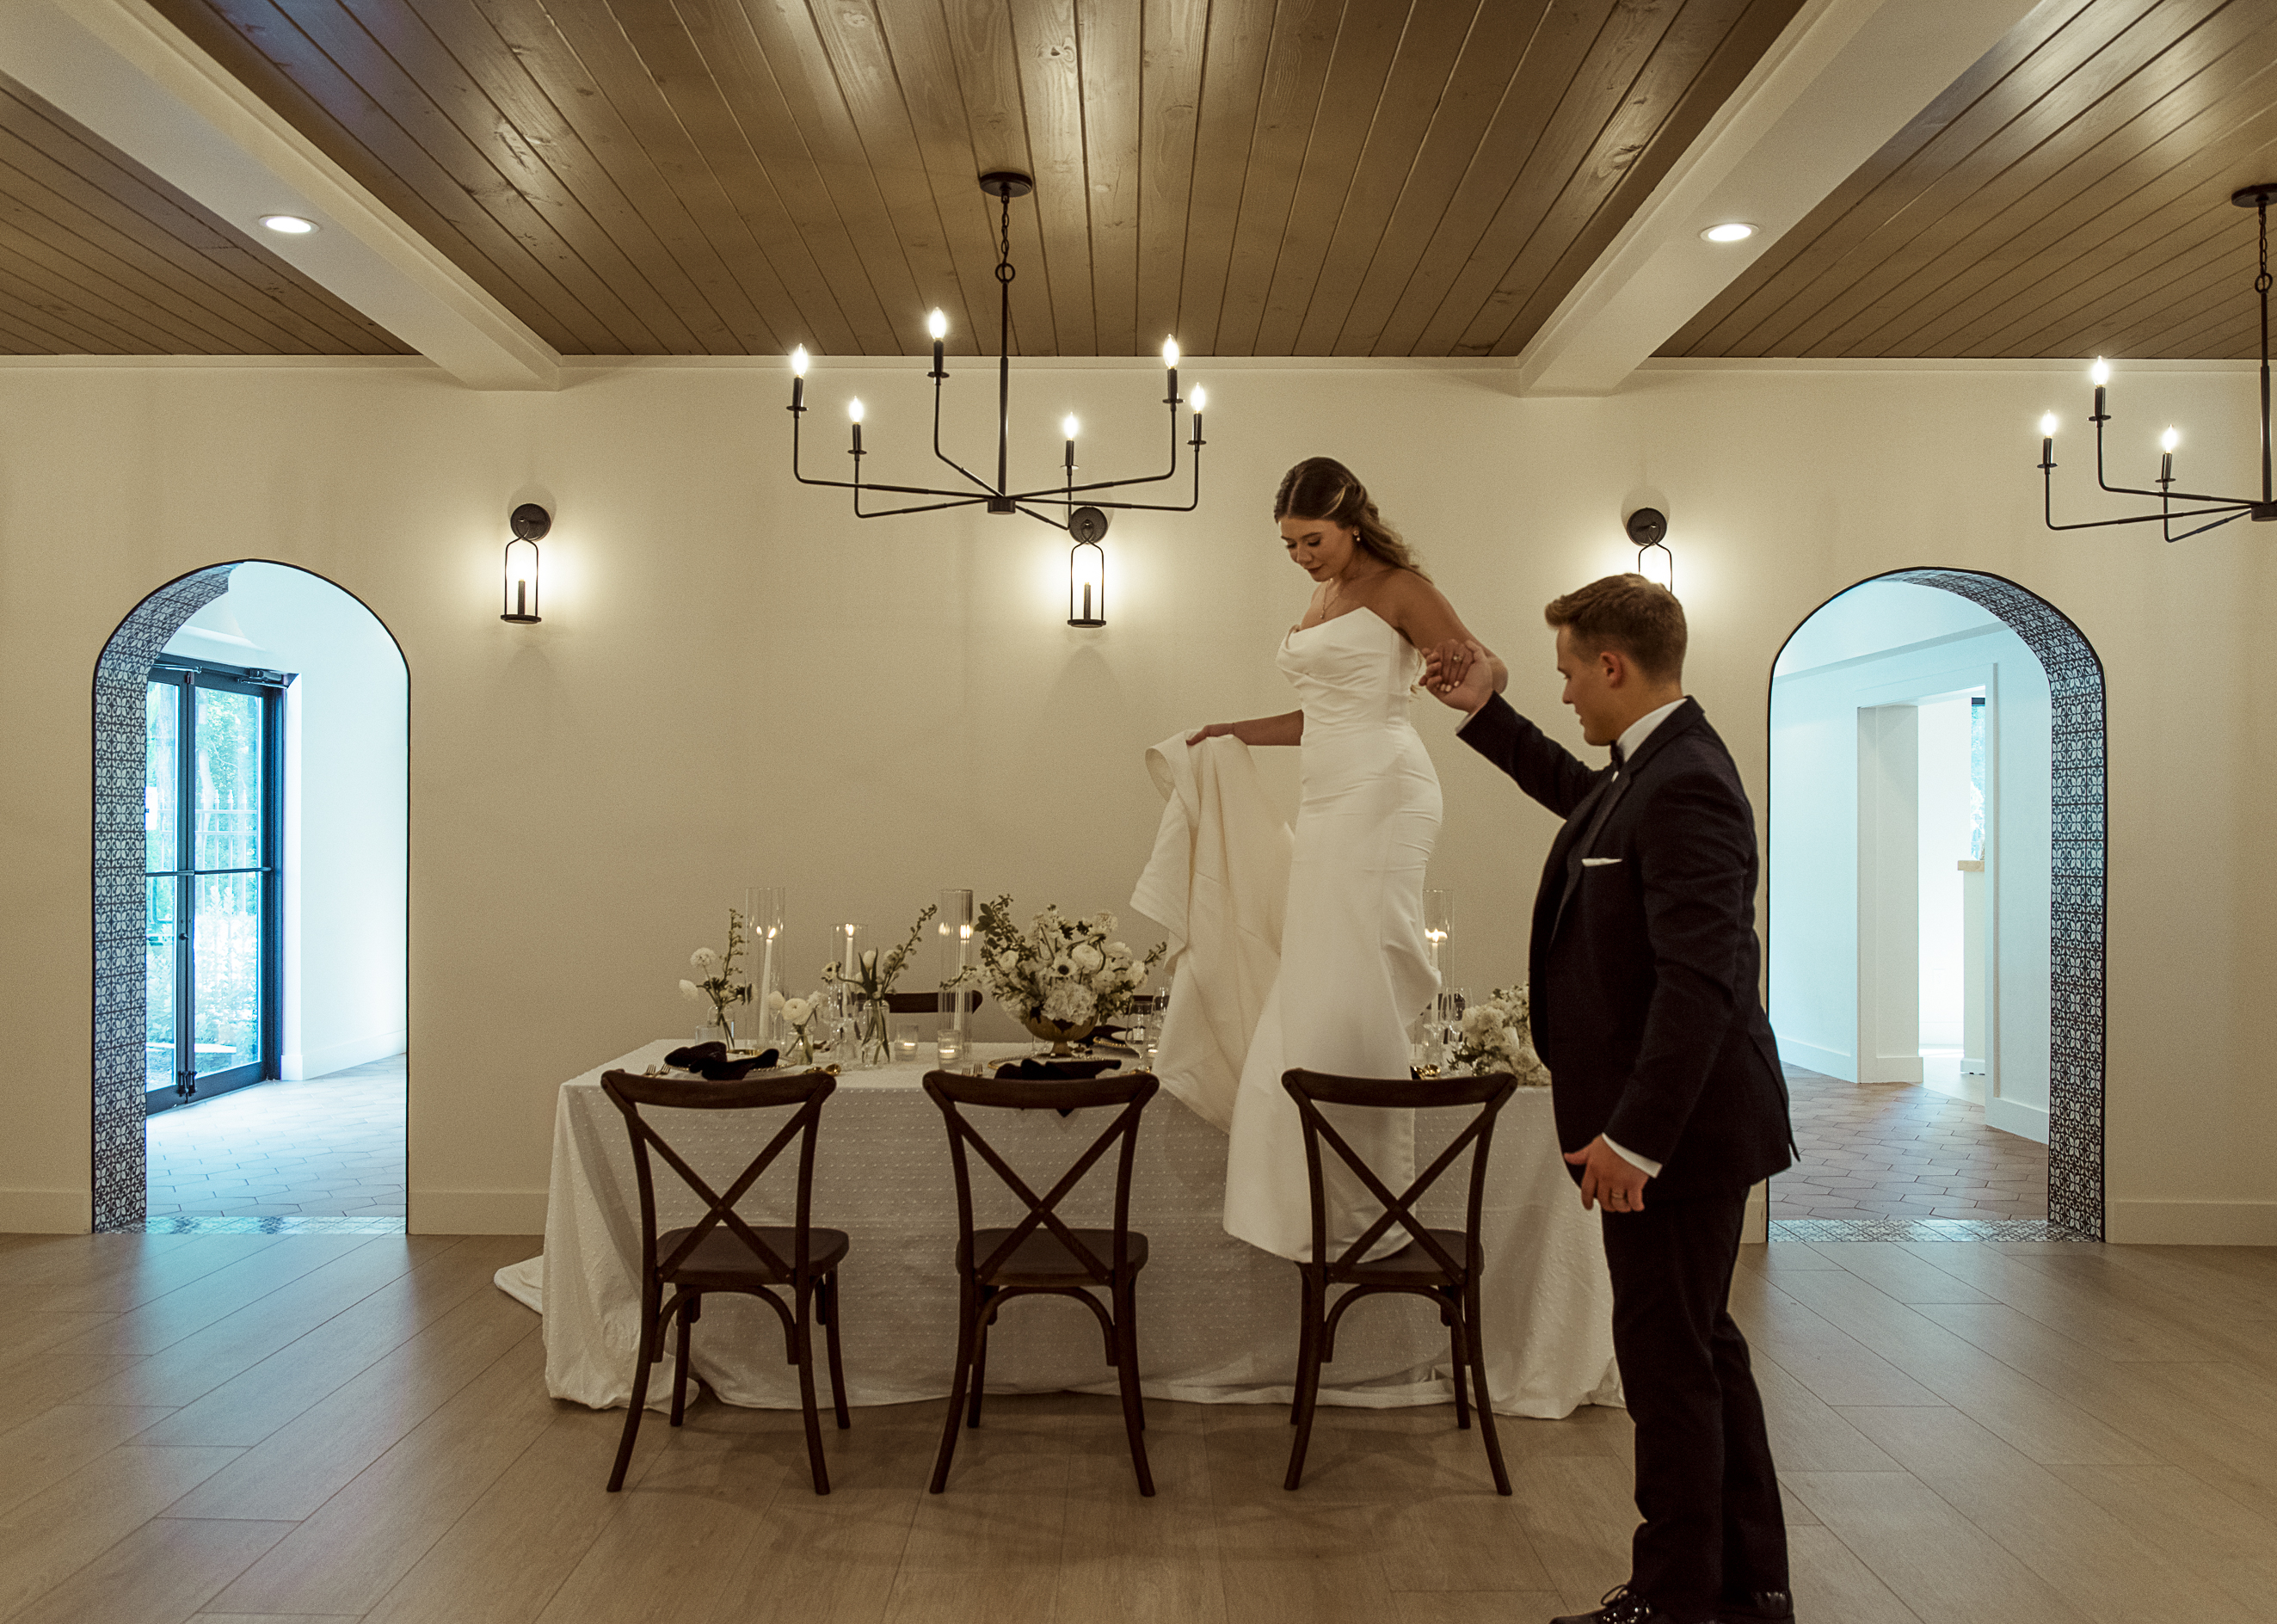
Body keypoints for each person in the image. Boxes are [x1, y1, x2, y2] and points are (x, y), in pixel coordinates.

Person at [1424, 575, 1795, 1624]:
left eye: (1569, 675)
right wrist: (1489, 711)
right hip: (1677, 1131)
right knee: (1701, 1355)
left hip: (1676, 1137)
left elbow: (1701, 981)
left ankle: (1675, 1600)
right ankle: (1746, 1588)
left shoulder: (1687, 783)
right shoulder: (1651, 767)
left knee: (1669, 1371)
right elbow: (1576, 794)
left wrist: (1634, 1139)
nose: (1569, 698)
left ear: (1613, 665)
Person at [1189, 457, 1492, 1262]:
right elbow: (1318, 717)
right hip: (1326, 798)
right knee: (1316, 967)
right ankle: (1310, 1186)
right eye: (1288, 545)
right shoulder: (1320, 598)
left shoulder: (1396, 586)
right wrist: (1232, 732)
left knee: (1357, 962)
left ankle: (1373, 1192)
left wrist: (1459, 670)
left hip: (1384, 792)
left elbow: (1487, 667)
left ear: (1350, 522)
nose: (1301, 557)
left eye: (1311, 540)